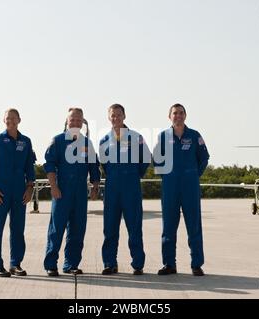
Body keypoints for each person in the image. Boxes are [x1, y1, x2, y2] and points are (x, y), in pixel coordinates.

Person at [153, 104, 210, 276]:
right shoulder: (163, 136)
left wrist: (193, 175)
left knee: (194, 225)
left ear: (185, 115)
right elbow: (156, 160)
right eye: (174, 113)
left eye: (181, 113)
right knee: (169, 225)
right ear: (169, 116)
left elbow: (204, 157)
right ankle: (169, 264)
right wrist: (167, 176)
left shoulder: (194, 135)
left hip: (190, 186)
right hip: (170, 187)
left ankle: (196, 264)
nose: (178, 116)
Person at [44, 108, 101, 276]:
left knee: (77, 230)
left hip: (80, 192)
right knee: (56, 229)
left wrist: (95, 186)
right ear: (67, 122)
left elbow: (94, 167)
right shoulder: (58, 141)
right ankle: (50, 264)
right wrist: (54, 187)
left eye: (78, 120)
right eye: (72, 120)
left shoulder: (86, 143)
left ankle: (71, 264)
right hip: (62, 191)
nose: (75, 123)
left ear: (82, 123)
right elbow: (49, 165)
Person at [99, 104, 151, 275]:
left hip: (131, 187)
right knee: (110, 228)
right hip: (112, 187)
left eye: (119, 115)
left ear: (124, 116)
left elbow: (145, 160)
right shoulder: (104, 140)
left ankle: (137, 264)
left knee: (134, 227)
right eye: (113, 115)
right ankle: (109, 263)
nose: (116, 118)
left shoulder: (137, 138)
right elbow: (104, 165)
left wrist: (133, 175)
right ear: (109, 117)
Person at [0, 108, 36, 277]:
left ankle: (15, 264)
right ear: (3, 120)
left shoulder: (26, 142)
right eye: (8, 118)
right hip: (0, 191)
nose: (11, 121)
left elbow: (30, 167)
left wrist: (30, 188)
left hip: (19, 191)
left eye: (14, 118)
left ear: (19, 120)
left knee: (18, 228)